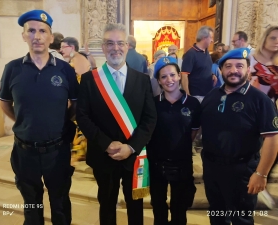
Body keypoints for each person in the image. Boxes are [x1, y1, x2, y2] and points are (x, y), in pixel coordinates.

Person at [0, 10, 79, 225]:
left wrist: (61, 121)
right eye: (31, 31)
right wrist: (24, 122)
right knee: (32, 208)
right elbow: (4, 103)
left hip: (57, 152)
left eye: (43, 31)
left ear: (51, 38)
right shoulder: (12, 69)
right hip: (25, 154)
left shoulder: (65, 70)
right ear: (24, 36)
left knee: (60, 206)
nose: (37, 36)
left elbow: (76, 105)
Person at [76, 23, 157, 225]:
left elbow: (150, 118)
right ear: (103, 47)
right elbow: (83, 117)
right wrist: (107, 144)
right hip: (104, 156)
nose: (116, 48)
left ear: (127, 46)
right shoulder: (89, 80)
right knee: (107, 204)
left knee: (135, 207)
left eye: (120, 43)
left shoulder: (142, 80)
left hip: (134, 156)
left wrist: (130, 147)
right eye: (110, 43)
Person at [201, 48, 278, 225]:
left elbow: (272, 138)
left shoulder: (260, 100)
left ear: (248, 70)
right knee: (217, 215)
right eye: (228, 66)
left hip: (242, 171)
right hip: (212, 169)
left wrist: (261, 173)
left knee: (241, 219)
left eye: (239, 66)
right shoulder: (212, 97)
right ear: (221, 70)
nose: (233, 70)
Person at [147, 57, 200, 225]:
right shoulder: (153, 104)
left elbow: (193, 133)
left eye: (172, 75)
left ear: (179, 76)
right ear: (159, 81)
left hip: (182, 164)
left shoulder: (192, 104)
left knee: (180, 207)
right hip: (157, 164)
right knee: (158, 205)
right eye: (164, 77)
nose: (169, 80)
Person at [250, 25, 278, 209]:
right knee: (252, 148)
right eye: (273, 38)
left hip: (273, 110)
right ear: (265, 39)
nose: (277, 42)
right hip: (252, 109)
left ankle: (262, 179)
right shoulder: (251, 58)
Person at [181, 26, 217, 103]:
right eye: (211, 37)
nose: (212, 40)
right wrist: (188, 96)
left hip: (207, 94)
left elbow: (202, 68)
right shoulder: (191, 54)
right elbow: (184, 76)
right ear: (204, 38)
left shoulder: (206, 52)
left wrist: (212, 75)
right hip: (196, 96)